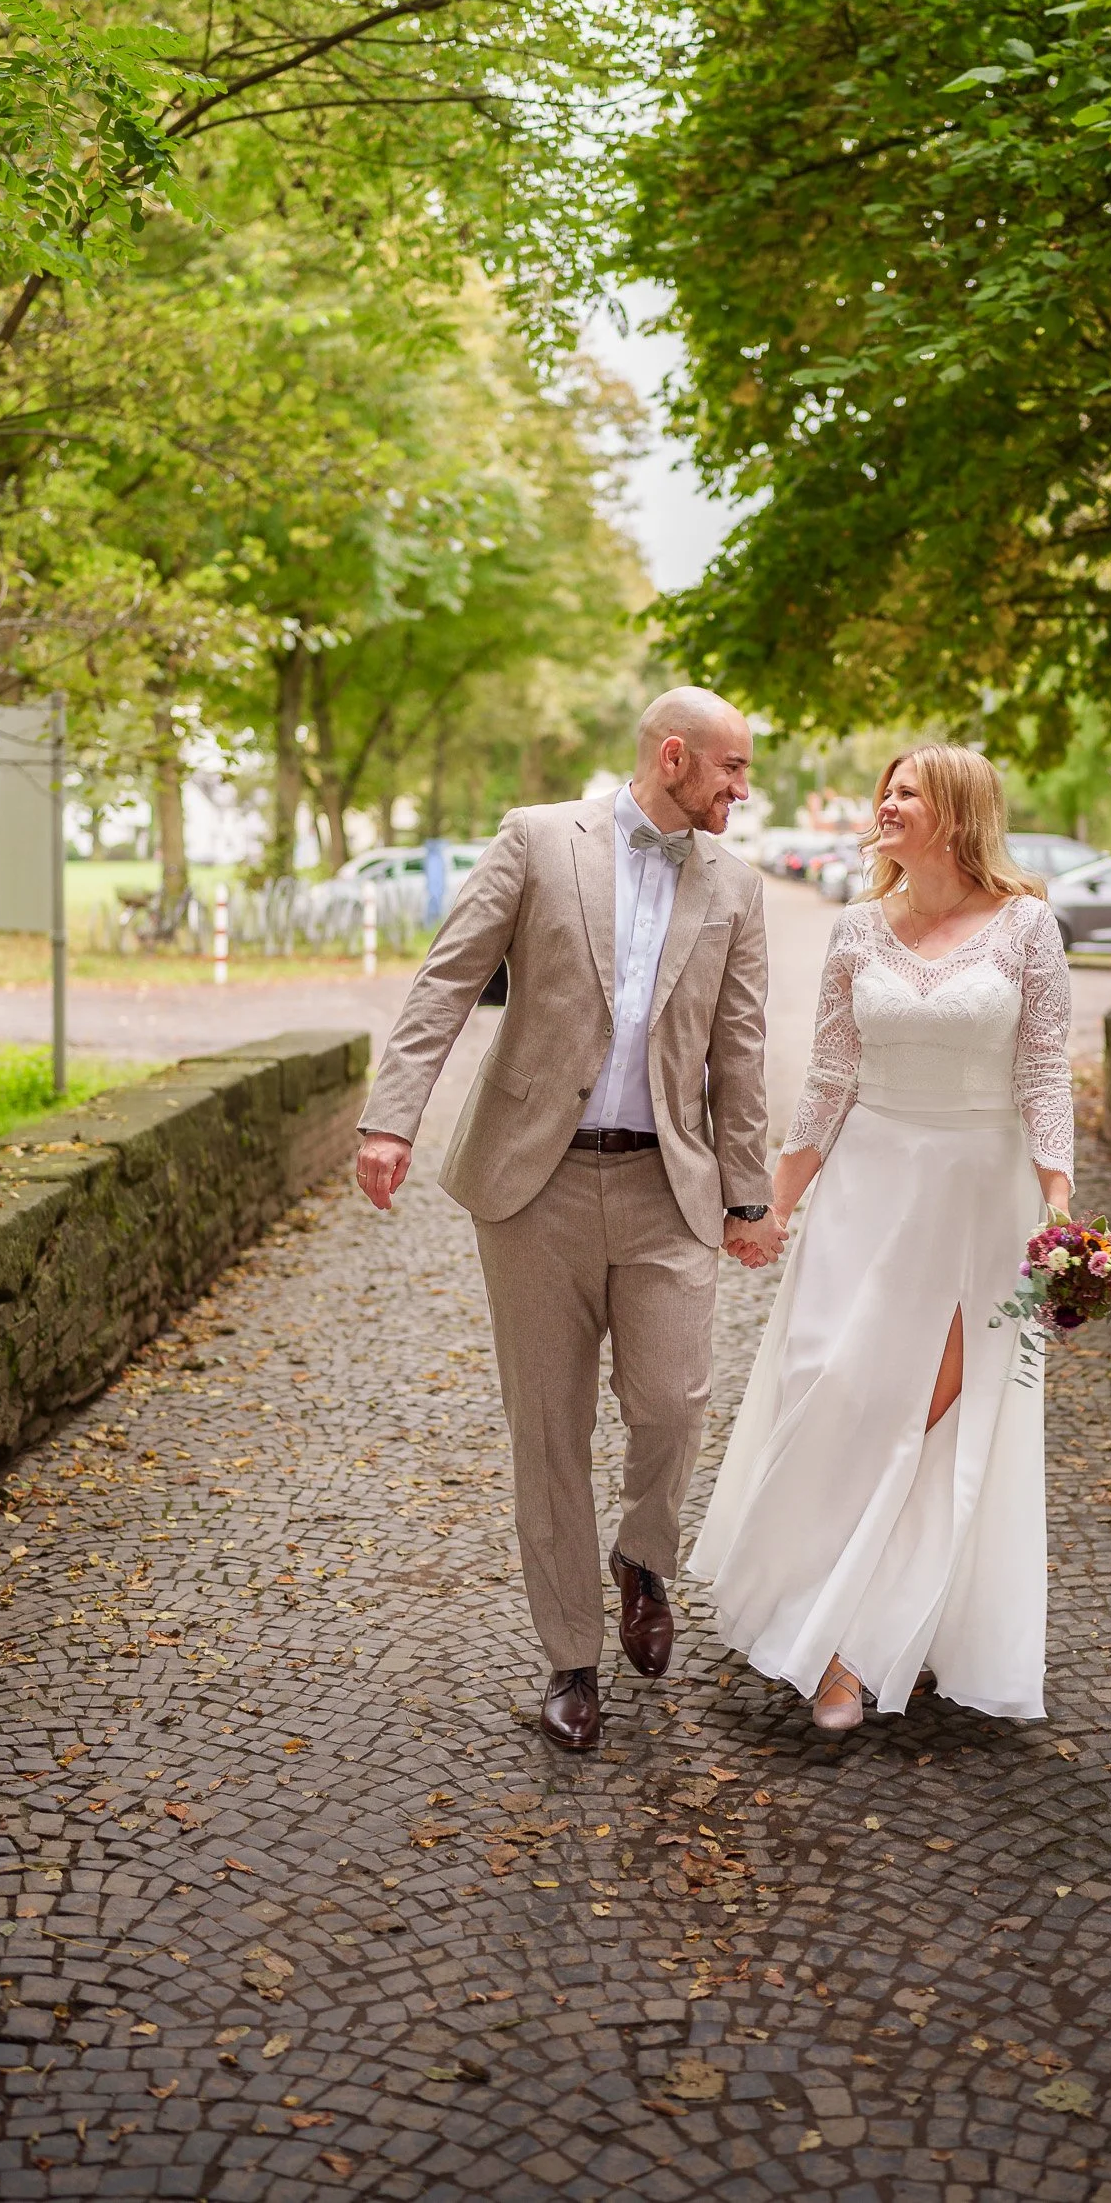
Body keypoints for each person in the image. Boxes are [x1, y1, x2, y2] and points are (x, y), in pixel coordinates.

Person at [355, 688, 784, 1752]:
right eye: (730, 767)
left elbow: (738, 1051)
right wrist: (390, 1120)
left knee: (673, 1403)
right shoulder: (538, 841)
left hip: (665, 1188)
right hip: (532, 1187)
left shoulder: (735, 885)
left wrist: (746, 1195)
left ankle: (642, 1557)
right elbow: (445, 984)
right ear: (673, 756)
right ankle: (570, 1660)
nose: (742, 788)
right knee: (547, 1427)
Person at [692, 744, 1073, 1731]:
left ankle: (854, 1647)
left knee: (933, 1420)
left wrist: (1059, 1208)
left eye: (909, 791)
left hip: (979, 1200)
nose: (888, 803)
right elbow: (829, 1077)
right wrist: (772, 1205)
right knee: (836, 1394)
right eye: (887, 790)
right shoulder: (857, 927)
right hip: (865, 1188)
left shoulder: (1026, 926)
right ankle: (809, 1605)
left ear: (958, 813)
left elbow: (1042, 1072)